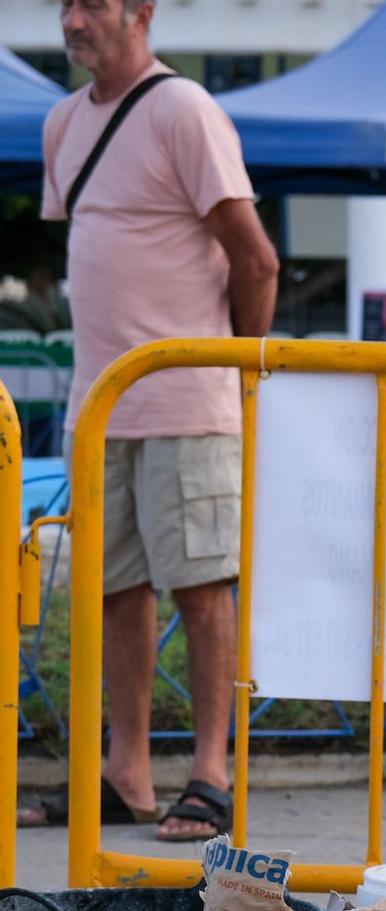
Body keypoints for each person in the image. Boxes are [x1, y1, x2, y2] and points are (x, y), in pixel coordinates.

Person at [21, 0, 275, 839]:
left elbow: (256, 256)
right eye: (65, 4)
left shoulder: (184, 108)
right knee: (114, 590)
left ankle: (210, 771)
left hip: (182, 397)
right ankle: (124, 769)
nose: (72, 20)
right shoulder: (64, 122)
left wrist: (241, 374)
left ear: (141, 13)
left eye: (92, 4)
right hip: (104, 404)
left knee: (202, 590)